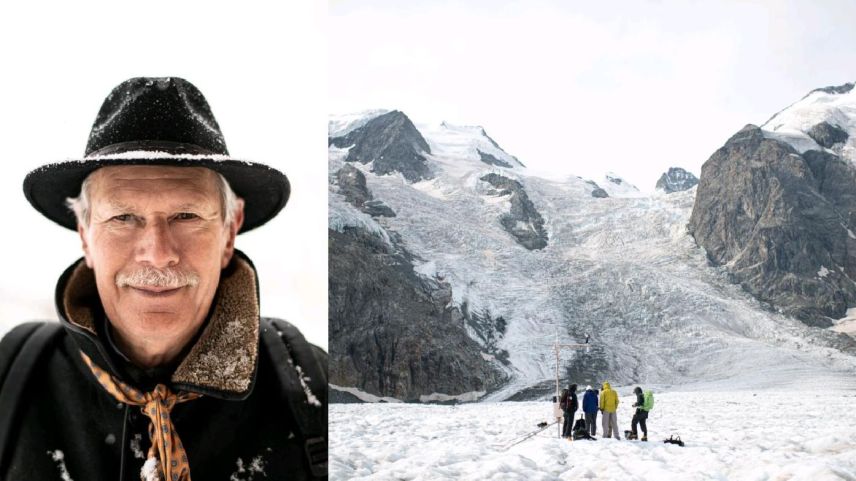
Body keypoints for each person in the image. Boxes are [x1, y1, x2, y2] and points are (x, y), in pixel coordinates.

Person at [0, 78, 327, 480]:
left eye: (186, 216)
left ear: (229, 230)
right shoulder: (9, 379)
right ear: (85, 234)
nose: (157, 253)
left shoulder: (314, 388)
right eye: (123, 217)